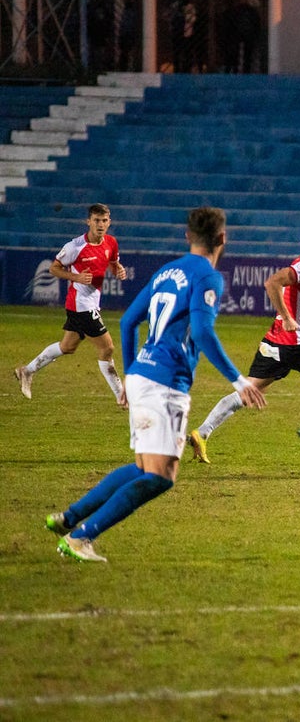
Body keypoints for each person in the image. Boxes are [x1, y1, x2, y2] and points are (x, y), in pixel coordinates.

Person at [46, 207, 266, 562]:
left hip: (142, 374)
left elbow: (129, 321)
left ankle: (68, 518)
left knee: (142, 468)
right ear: (222, 238)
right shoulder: (207, 277)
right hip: (165, 383)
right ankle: (81, 536)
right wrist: (239, 380)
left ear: (187, 236)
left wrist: (130, 374)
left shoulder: (167, 270)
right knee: (162, 476)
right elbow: (204, 332)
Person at [188, 220, 300, 461]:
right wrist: (286, 317)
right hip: (293, 346)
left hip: (275, 344)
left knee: (248, 392)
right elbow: (272, 282)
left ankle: (201, 432)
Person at [14, 203, 128, 404]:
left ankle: (27, 371)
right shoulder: (75, 247)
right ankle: (122, 397)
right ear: (88, 222)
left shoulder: (111, 242)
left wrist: (118, 269)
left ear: (109, 222)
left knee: (67, 347)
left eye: (104, 221)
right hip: (80, 304)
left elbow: (112, 263)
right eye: (96, 220)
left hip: (91, 302)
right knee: (107, 348)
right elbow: (53, 268)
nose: (100, 225)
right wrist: (76, 277)